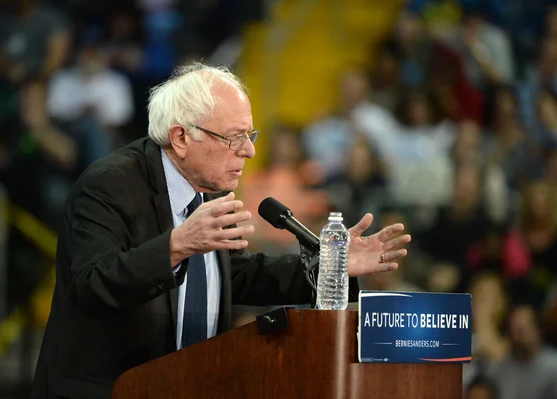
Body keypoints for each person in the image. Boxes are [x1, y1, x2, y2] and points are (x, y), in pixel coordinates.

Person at [30, 62, 411, 399]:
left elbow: (238, 275)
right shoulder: (109, 185)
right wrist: (175, 247)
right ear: (181, 138)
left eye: (250, 135)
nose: (248, 151)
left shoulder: (209, 190)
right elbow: (89, 285)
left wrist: (333, 267)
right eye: (234, 138)